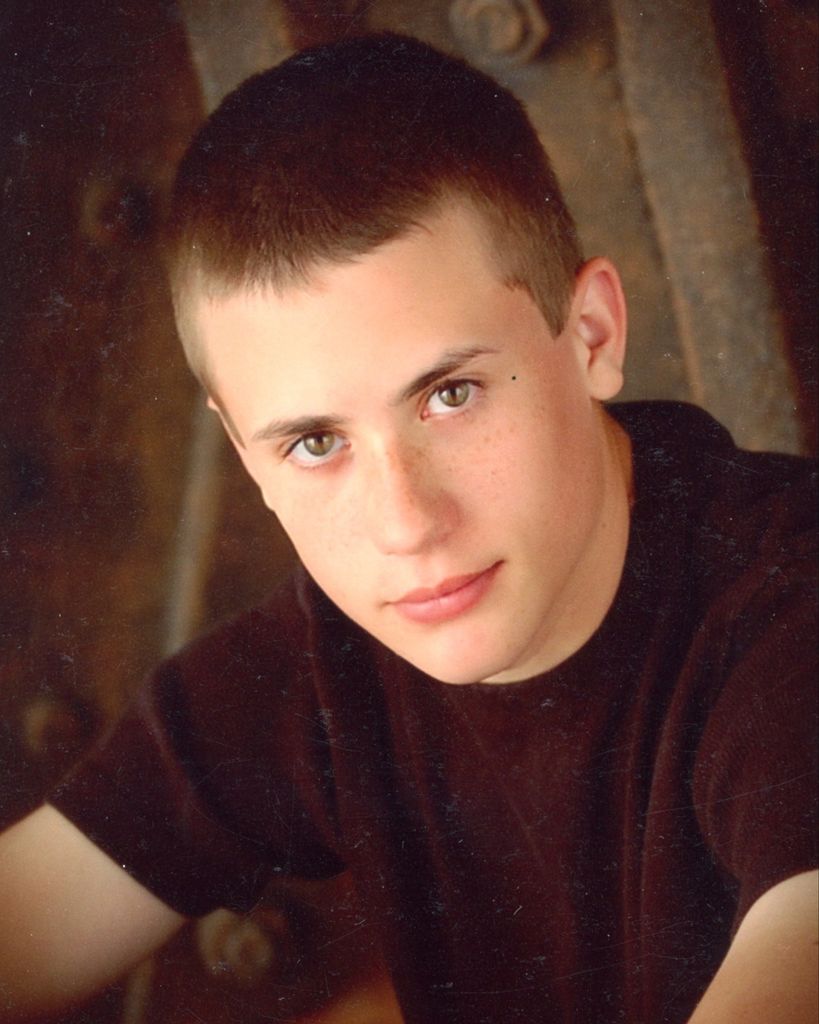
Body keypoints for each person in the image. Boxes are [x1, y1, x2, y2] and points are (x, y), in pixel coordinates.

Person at [0, 32, 816, 1024]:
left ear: (591, 335)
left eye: (451, 394)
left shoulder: (784, 611)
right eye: (314, 443)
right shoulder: (318, 667)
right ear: (246, 456)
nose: (406, 524)